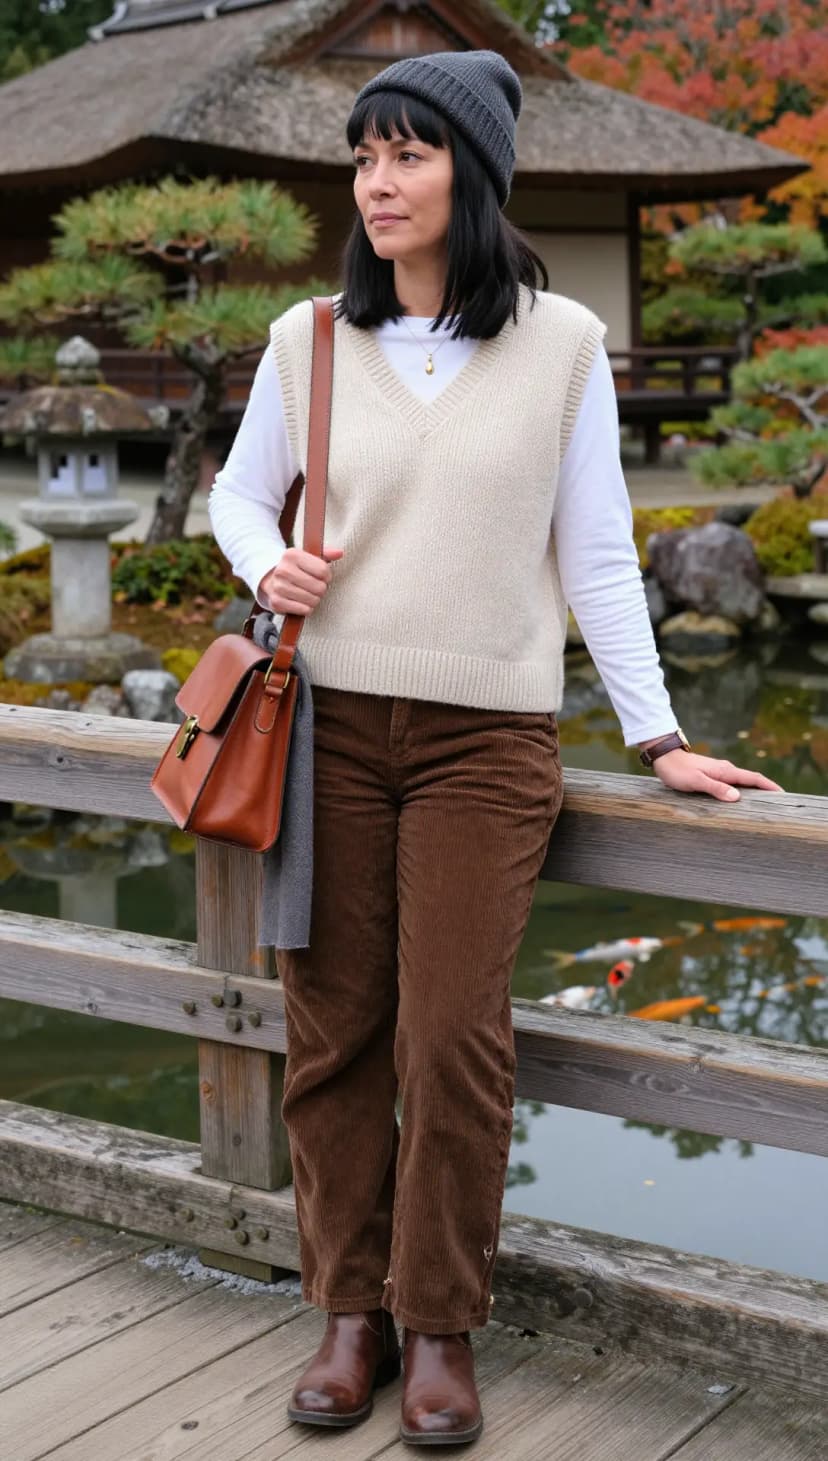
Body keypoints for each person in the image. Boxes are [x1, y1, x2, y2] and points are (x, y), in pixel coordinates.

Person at [207, 49, 784, 1448]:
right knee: (333, 1036)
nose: (377, 183)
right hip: (327, 729)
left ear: (473, 173)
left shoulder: (564, 344)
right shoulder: (308, 341)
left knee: (454, 1035)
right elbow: (234, 498)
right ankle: (351, 1317)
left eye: (406, 154)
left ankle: (443, 1321)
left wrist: (657, 734)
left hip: (488, 745)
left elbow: (595, 557)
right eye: (362, 159)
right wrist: (271, 559)